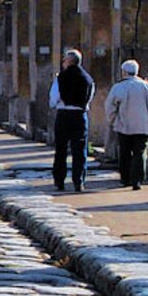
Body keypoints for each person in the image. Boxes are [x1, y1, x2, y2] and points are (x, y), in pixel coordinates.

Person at [104, 58, 148, 190]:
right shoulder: (147, 87)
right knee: (140, 152)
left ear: (124, 72)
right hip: (143, 125)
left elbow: (110, 106)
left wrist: (112, 119)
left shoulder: (119, 87)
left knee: (125, 151)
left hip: (124, 125)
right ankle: (137, 180)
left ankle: (125, 178)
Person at [48, 49, 96, 192]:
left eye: (64, 60)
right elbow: (89, 97)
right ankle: (78, 181)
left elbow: (53, 98)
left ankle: (59, 181)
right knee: (80, 150)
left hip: (63, 115)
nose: (63, 62)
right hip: (80, 115)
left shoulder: (60, 77)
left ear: (69, 61)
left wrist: (56, 105)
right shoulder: (88, 79)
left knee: (61, 149)